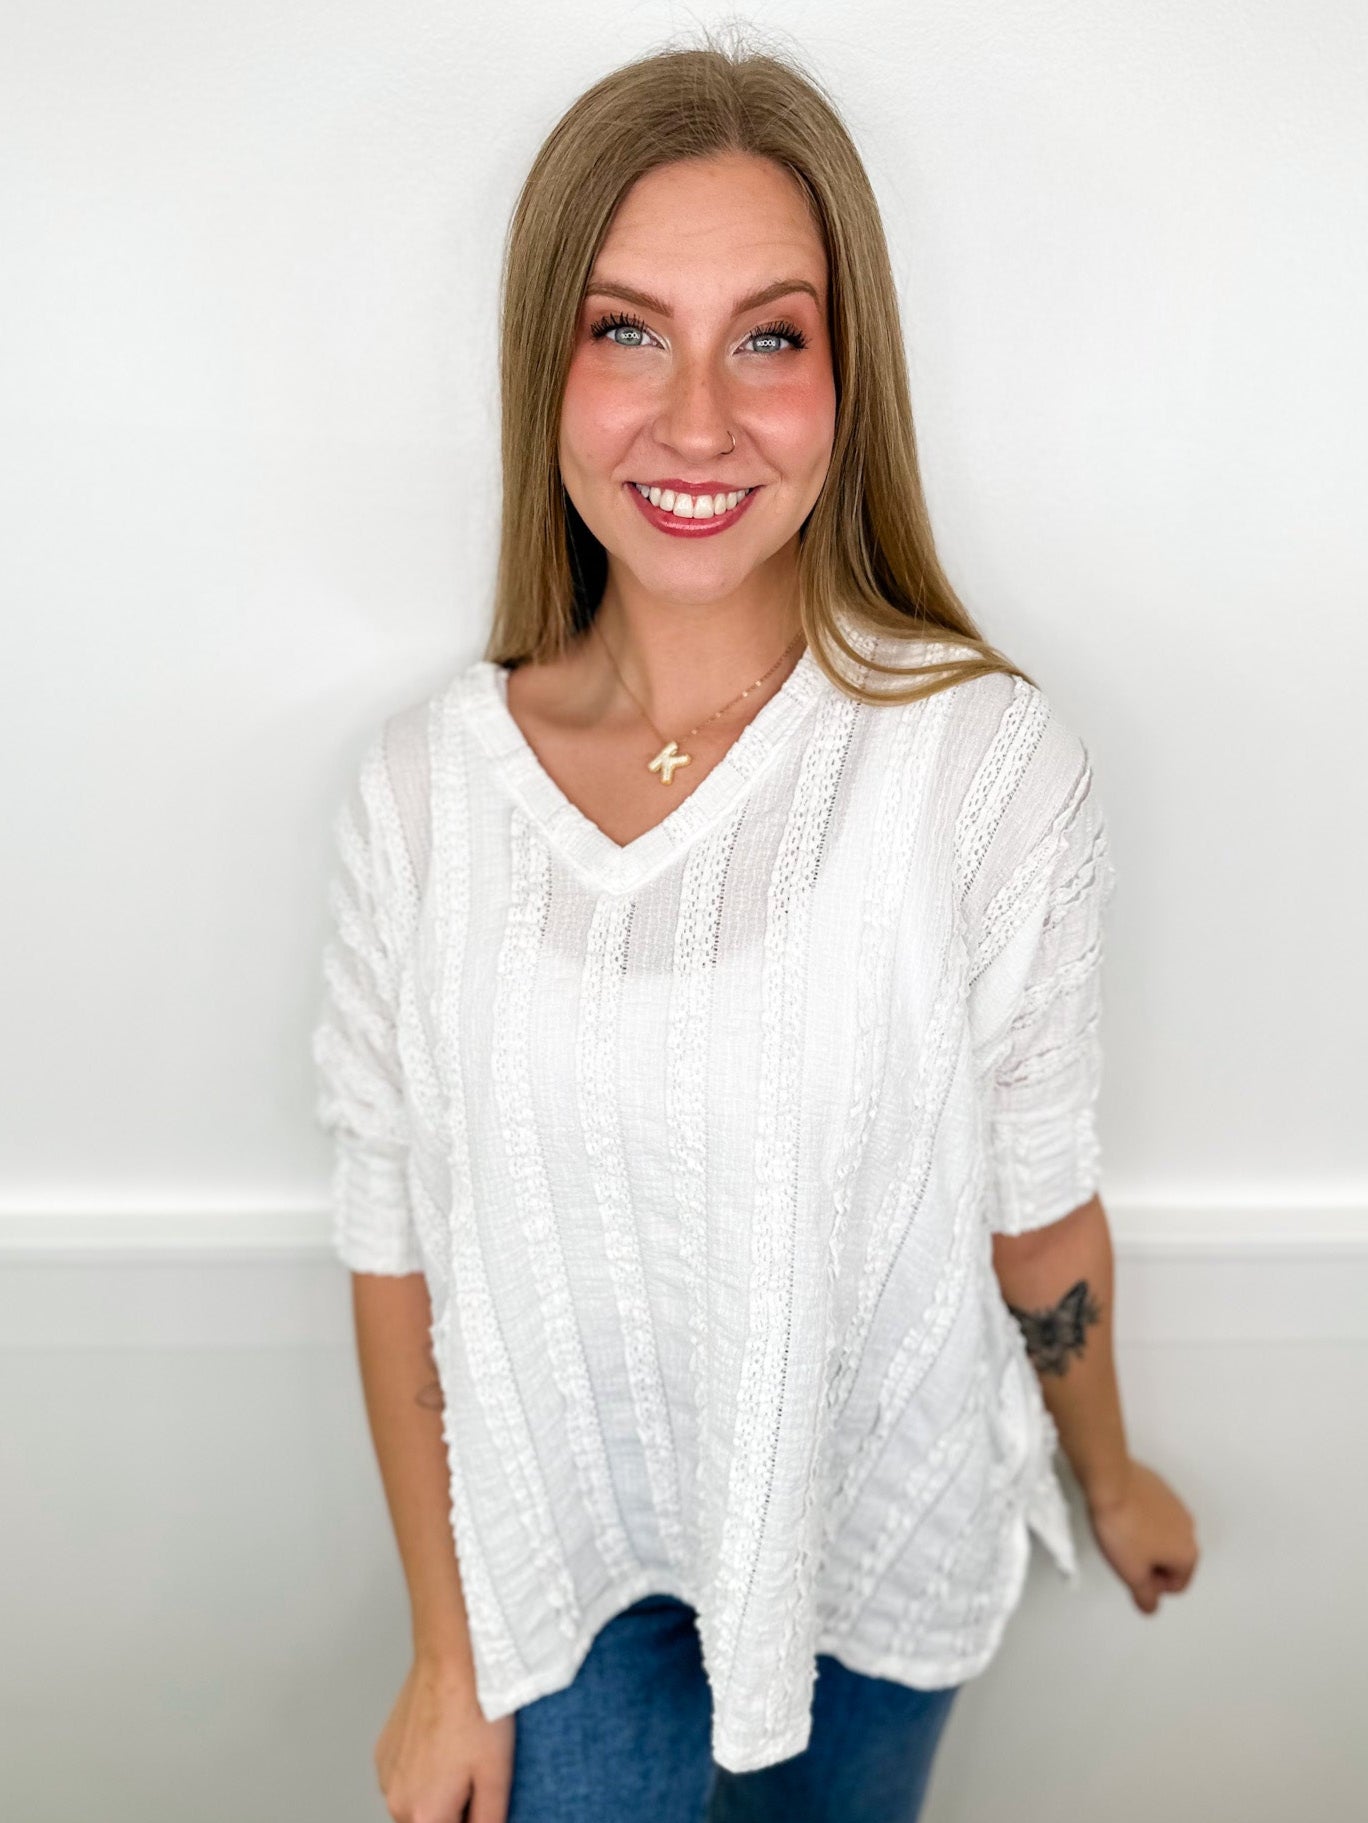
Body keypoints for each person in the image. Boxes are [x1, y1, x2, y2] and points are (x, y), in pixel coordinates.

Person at [310, 32, 1199, 1823]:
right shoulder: (419, 797)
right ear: (546, 365)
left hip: (881, 1543)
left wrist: (1107, 1477)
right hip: (565, 1572)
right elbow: (394, 1236)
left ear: (848, 380)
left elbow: (1038, 1203)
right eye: (628, 330)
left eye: (770, 339)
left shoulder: (984, 769)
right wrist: (445, 1654)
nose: (700, 421)